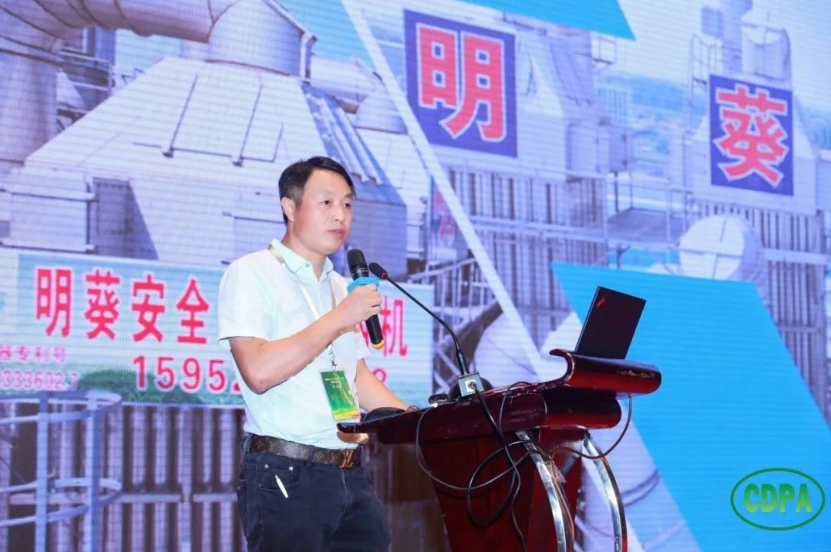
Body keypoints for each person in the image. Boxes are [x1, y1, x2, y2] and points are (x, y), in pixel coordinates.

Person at [217, 156, 409, 551]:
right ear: (290, 207)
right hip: (286, 471)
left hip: (350, 472)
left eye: (348, 204)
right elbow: (258, 371)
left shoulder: (338, 285)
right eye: (327, 203)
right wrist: (339, 318)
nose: (340, 215)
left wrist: (422, 422)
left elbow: (357, 377)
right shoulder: (252, 273)